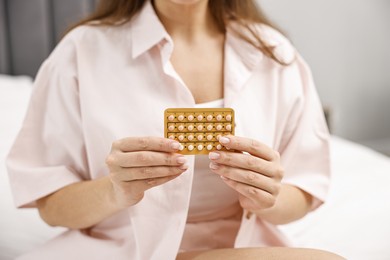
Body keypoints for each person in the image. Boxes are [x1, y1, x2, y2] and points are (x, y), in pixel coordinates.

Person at [6, 0, 344, 259]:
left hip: (244, 249)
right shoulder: (81, 52)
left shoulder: (276, 54)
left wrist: (266, 196)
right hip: (120, 250)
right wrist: (115, 190)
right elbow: (51, 206)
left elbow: (302, 192)